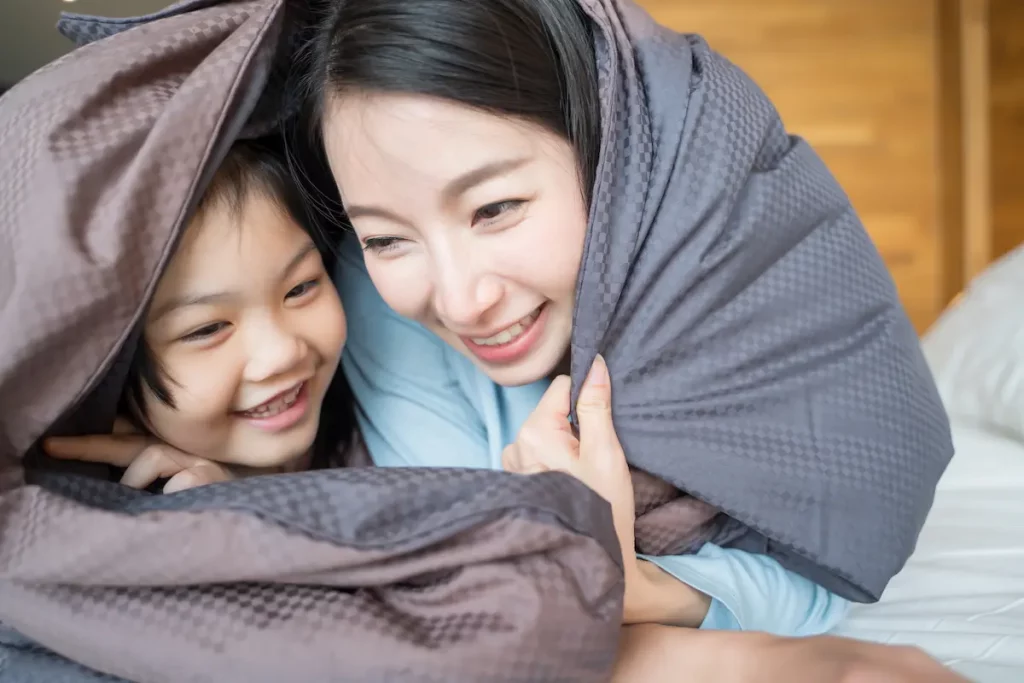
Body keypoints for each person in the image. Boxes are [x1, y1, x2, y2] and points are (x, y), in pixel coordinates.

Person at [302, 0, 966, 681]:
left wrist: (639, 586)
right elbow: (465, 583)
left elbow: (822, 560)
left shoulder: (745, 289)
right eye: (385, 237)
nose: (458, 299)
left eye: (494, 209)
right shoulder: (377, 307)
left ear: (616, 159)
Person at [44, 137, 353, 492]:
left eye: (300, 288)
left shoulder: (382, 410)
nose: (281, 353)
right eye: (208, 329)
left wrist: (249, 489)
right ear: (111, 367)